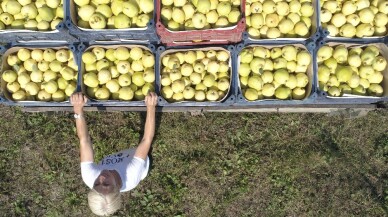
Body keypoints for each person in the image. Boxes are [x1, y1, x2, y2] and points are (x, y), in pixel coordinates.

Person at [70, 92, 158, 216]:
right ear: (117, 187)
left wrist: (78, 109)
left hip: (120, 158)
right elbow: (147, 139)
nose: (101, 178)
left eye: (96, 184)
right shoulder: (132, 174)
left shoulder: (89, 176)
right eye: (106, 183)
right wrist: (151, 107)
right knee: (144, 148)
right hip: (140, 161)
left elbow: (84, 140)